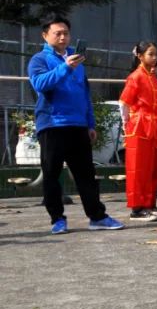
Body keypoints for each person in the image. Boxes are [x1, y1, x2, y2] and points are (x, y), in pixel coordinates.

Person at [27, 14, 124, 234]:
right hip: (52, 124)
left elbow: (84, 92)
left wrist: (90, 123)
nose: (63, 37)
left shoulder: (76, 59)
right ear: (45, 35)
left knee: (86, 175)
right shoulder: (39, 59)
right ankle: (57, 219)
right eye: (57, 33)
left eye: (66, 33)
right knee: (51, 174)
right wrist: (65, 68)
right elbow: (40, 84)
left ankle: (97, 217)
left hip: (78, 125)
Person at [119, 41, 157, 221]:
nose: (154, 58)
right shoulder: (136, 77)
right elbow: (124, 102)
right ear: (140, 56)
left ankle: (149, 203)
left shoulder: (155, 80)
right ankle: (137, 207)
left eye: (156, 54)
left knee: (153, 168)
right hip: (140, 126)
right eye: (150, 54)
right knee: (138, 168)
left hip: (154, 127)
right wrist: (127, 124)